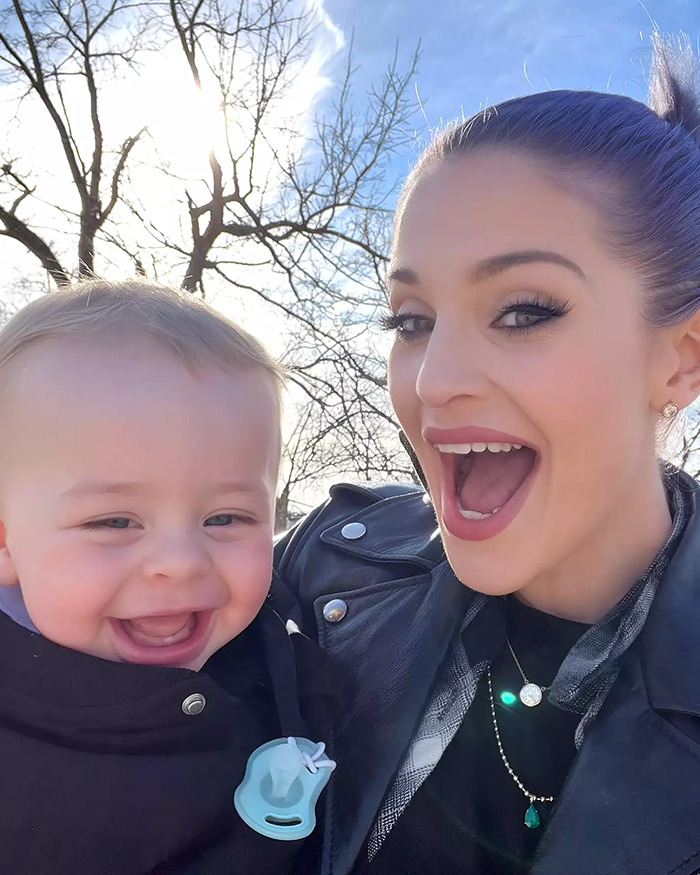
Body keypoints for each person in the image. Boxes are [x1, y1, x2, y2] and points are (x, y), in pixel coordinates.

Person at [275, 35, 700, 875]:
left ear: (681, 358)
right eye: (410, 320)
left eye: (523, 310)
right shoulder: (320, 569)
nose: (434, 381)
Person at [0, 280, 336, 874]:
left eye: (226, 517)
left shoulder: (284, 649)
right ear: (7, 543)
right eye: (114, 521)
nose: (181, 562)